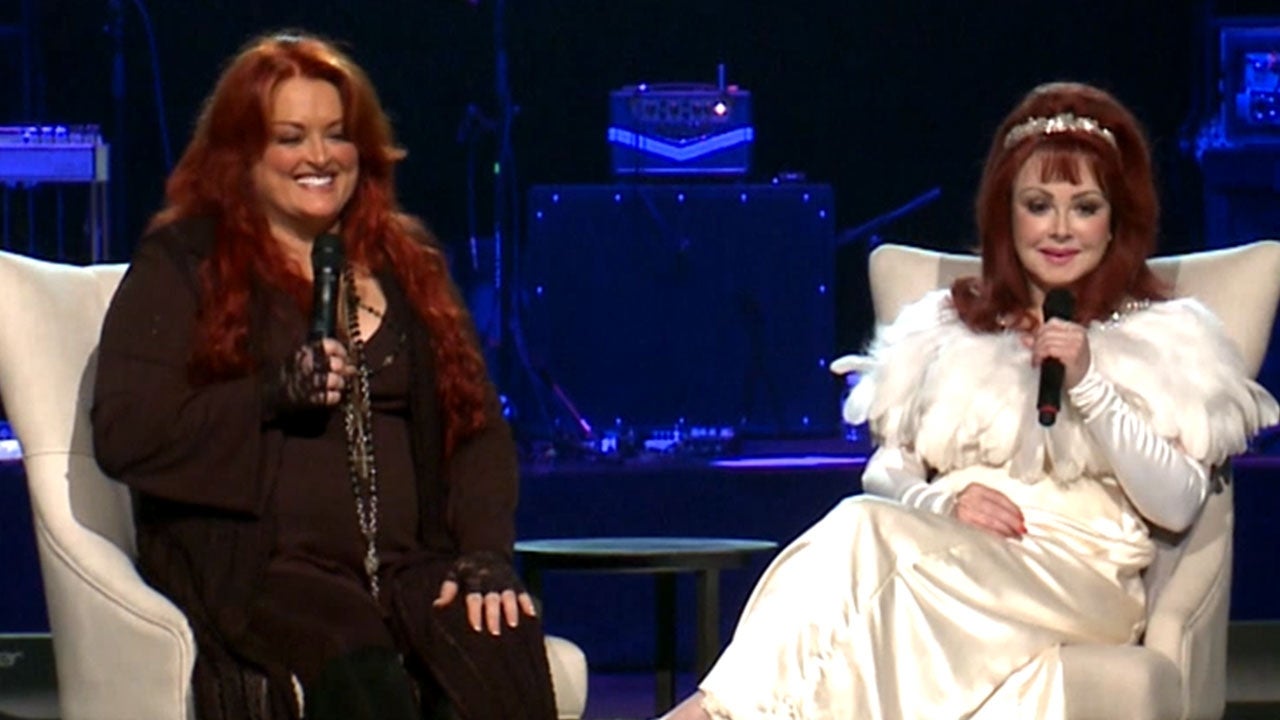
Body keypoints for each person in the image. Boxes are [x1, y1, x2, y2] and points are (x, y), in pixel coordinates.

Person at [661, 81, 1280, 719]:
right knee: (861, 530)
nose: (1060, 229)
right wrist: (939, 500)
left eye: (1085, 207)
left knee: (866, 537)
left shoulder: (1165, 336)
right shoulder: (946, 325)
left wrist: (1090, 385)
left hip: (1076, 575)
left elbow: (1180, 503)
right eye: (1038, 205)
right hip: (945, 547)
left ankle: (704, 714)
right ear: (1006, 214)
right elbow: (887, 471)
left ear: (1116, 219)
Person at [91, 32, 556, 720]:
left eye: (337, 135)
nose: (319, 157)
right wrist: (272, 393)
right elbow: (128, 432)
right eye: (290, 137)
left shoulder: (408, 261)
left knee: (496, 638)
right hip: (260, 568)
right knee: (356, 659)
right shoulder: (184, 261)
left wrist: (485, 555)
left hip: (407, 566)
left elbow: (475, 425)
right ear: (242, 153)